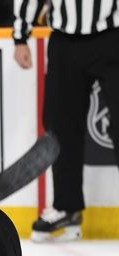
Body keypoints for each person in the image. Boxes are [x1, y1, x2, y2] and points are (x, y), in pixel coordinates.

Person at [13, 0, 119, 242]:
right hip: (65, 41)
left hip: (114, 36)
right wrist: (20, 36)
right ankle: (67, 208)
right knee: (61, 126)